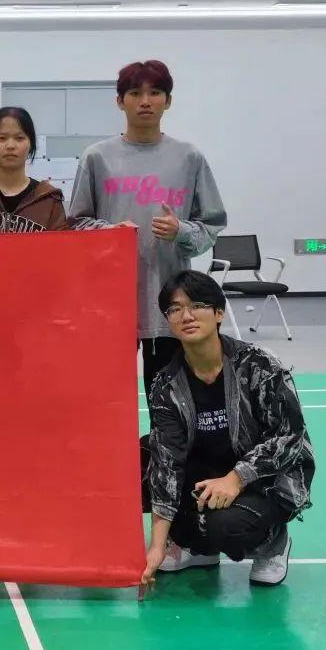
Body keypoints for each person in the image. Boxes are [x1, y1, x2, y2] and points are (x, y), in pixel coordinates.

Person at [68, 60, 226, 411]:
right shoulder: (97, 158)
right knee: (108, 400)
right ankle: (116, 450)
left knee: (170, 402)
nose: (145, 101)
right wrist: (110, 233)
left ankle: (164, 450)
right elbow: (74, 224)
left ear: (168, 101)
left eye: (155, 93)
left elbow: (211, 225)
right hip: (109, 302)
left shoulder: (189, 158)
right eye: (135, 93)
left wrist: (181, 230)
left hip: (170, 304)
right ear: (119, 101)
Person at [141, 270, 314, 590]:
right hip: (208, 471)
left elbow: (290, 436)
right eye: (175, 309)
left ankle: (272, 543)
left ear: (219, 313)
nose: (186, 316)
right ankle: (197, 548)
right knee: (139, 462)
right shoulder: (166, 384)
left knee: (224, 527)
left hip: (265, 479)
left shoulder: (259, 365)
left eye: (196, 306)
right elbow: (167, 461)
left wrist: (237, 478)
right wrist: (156, 546)